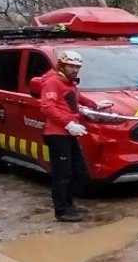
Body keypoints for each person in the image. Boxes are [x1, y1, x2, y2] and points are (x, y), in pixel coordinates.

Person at [40, 51, 109, 222]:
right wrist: (67, 123)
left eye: (77, 67)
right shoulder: (53, 83)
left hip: (69, 132)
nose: (75, 70)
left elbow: (78, 98)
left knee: (78, 171)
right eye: (71, 66)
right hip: (58, 134)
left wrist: (96, 105)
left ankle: (69, 205)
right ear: (62, 65)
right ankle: (62, 211)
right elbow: (47, 107)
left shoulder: (69, 83)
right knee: (62, 174)